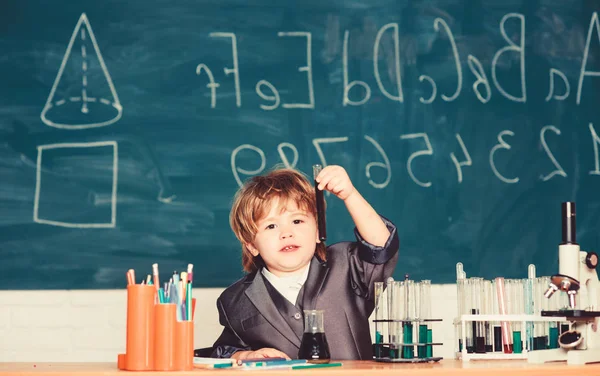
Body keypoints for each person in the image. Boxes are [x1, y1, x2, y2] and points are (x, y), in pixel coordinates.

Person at [210, 165, 399, 360]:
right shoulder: (234, 299)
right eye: (271, 226)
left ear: (318, 231)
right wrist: (245, 355)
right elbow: (224, 351)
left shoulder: (346, 264)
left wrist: (350, 195)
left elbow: (381, 246)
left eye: (297, 221)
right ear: (251, 246)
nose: (286, 233)